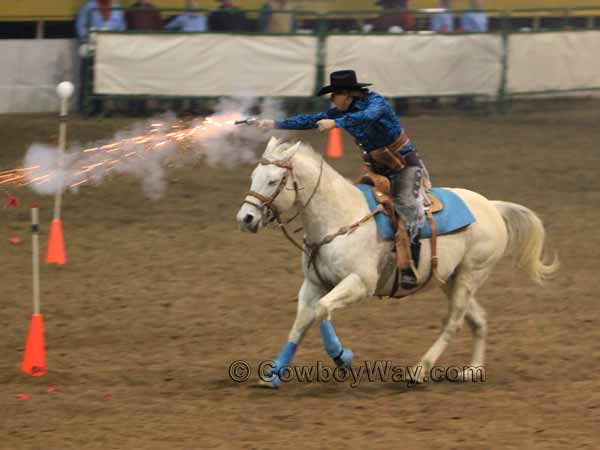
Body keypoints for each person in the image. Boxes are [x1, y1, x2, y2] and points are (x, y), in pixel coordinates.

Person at [258, 70, 431, 288]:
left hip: (404, 165)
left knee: (407, 205)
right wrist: (274, 123)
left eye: (334, 96)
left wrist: (336, 124)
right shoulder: (344, 111)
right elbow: (310, 120)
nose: (331, 100)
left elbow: (366, 116)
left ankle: (409, 266)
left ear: (347, 95)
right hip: (377, 168)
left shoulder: (376, 103)